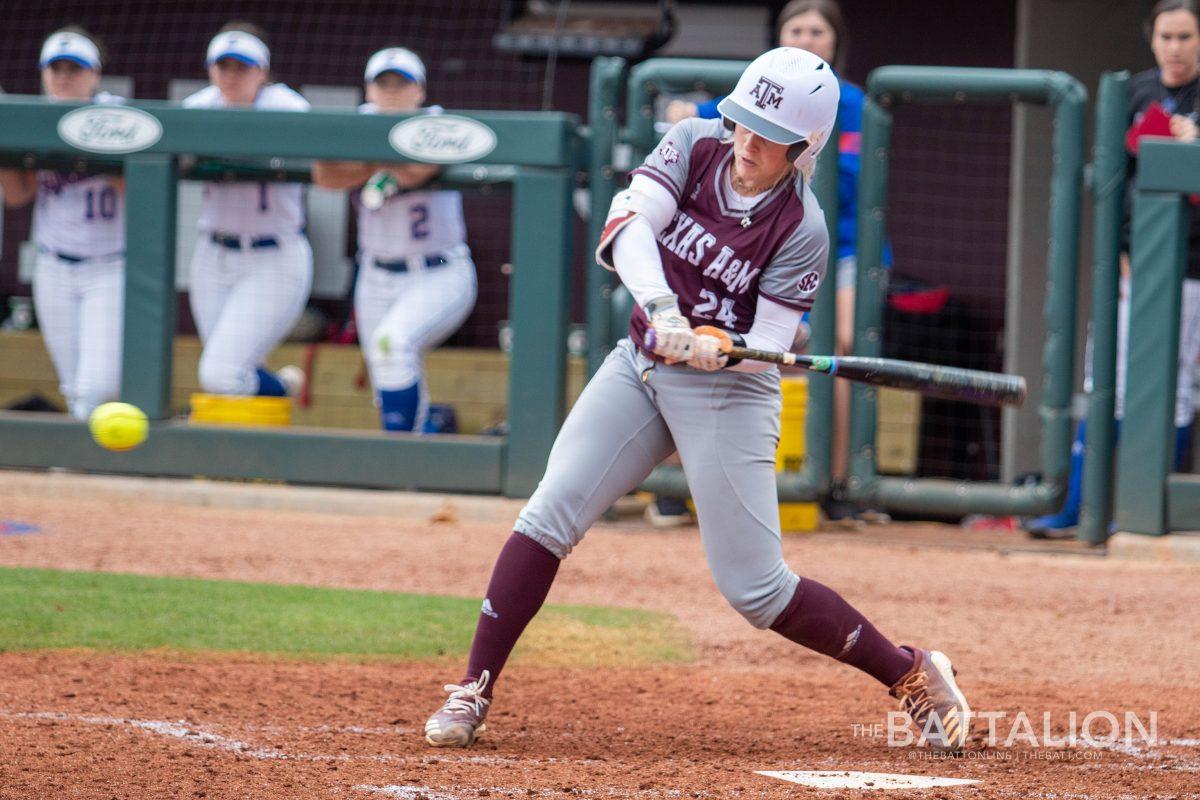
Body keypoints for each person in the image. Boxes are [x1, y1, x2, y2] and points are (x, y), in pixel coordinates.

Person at [423, 48, 971, 753]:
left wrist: (729, 346)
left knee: (758, 592)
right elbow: (629, 226)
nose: (745, 142)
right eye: (742, 121)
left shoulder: (803, 231)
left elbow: (770, 340)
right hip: (642, 364)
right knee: (549, 512)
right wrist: (666, 314)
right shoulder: (691, 144)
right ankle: (473, 687)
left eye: (767, 135)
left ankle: (910, 671)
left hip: (730, 394)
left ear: (804, 149)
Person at [665, 0, 890, 521]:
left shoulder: (857, 105)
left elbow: (855, 187)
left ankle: (836, 486)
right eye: (797, 28)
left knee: (841, 344)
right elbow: (706, 126)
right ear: (779, 36)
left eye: (818, 30)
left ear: (835, 41)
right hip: (753, 248)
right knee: (697, 330)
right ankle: (674, 484)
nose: (808, 38)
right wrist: (682, 112)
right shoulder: (753, 96)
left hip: (843, 249)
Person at [1026, 0, 1200, 536]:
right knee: (1105, 378)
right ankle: (1080, 507)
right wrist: (1123, 255)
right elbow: (1113, 185)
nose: (1175, 47)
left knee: (1178, 386)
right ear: (1152, 40)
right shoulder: (1135, 93)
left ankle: (1149, 515)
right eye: (1166, 37)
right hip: (1134, 263)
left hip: (1193, 267)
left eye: (1186, 37)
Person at [312, 48, 477, 432]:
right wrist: (382, 163)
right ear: (369, 90)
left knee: (393, 344)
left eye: (400, 83)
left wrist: (364, 162)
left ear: (419, 90)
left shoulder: (434, 120)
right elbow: (325, 175)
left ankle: (400, 458)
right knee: (385, 372)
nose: (391, 91)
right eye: (382, 83)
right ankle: (429, 430)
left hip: (438, 269)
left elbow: (418, 169)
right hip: (376, 275)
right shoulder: (360, 122)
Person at [0, 28, 126, 420]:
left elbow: (135, 189)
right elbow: (17, 195)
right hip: (53, 265)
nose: (65, 76)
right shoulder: (32, 120)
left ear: (95, 74)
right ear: (44, 74)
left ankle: (92, 461)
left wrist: (88, 149)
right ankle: (88, 470)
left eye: (76, 68)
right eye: (56, 68)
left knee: (99, 385)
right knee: (74, 387)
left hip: (108, 267)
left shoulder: (117, 116)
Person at [182, 22, 310, 398]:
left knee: (220, 373)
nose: (232, 76)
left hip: (274, 256)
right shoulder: (197, 108)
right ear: (211, 70)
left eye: (243, 67)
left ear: (263, 72)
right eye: (224, 66)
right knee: (228, 374)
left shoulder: (287, 107)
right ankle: (273, 400)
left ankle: (278, 392)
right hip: (213, 255)